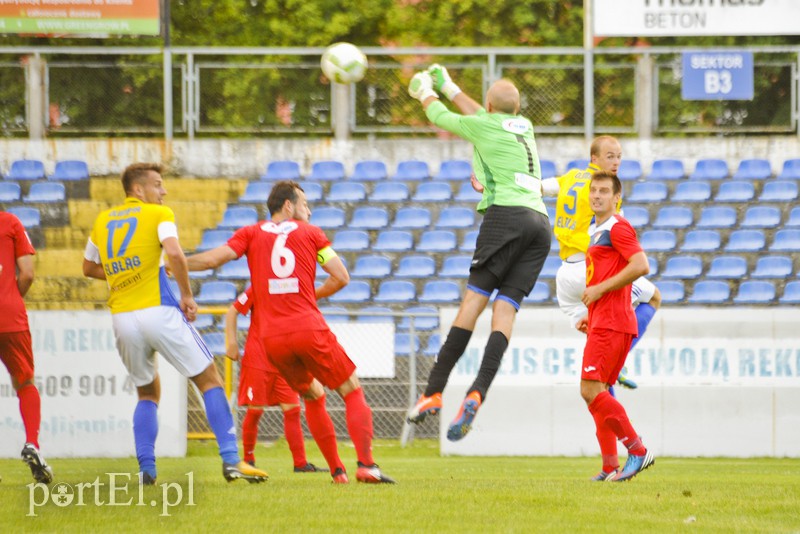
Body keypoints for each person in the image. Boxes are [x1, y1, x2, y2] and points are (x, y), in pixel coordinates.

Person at [186, 180, 395, 484]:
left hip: (271, 338)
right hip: (306, 326)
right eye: (305, 204)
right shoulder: (312, 234)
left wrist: (174, 264)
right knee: (351, 388)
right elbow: (341, 277)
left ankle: (337, 472)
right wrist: (312, 295)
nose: (308, 211)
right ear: (288, 206)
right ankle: (366, 465)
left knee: (312, 394)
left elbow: (212, 260)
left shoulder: (250, 232)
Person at [81, 162, 267, 484]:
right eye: (157, 184)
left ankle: (147, 470)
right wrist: (187, 296)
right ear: (138, 189)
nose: (163, 191)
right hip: (160, 310)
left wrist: (127, 274)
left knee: (147, 393)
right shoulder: (158, 215)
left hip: (122, 316)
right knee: (209, 379)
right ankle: (232, 460)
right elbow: (176, 256)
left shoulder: (102, 219)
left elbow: (88, 267)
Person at [406, 65, 551, 441]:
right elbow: (484, 114)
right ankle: (477, 392)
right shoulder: (525, 126)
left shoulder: (486, 125)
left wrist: (425, 91)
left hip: (506, 217)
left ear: (489, 105)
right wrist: (450, 85)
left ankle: (433, 392)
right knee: (505, 314)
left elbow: (441, 116)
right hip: (540, 223)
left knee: (472, 304)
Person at [541, 135, 662, 389]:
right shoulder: (605, 190)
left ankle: (611, 415)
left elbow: (540, 187)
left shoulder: (572, 176)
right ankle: (621, 359)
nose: (616, 162)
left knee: (598, 358)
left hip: (565, 274)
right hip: (590, 272)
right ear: (594, 159)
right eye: (610, 156)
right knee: (653, 297)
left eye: (618, 156)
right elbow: (615, 234)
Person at [581, 170, 655, 482]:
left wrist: (600, 291)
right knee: (596, 391)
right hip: (603, 319)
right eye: (593, 190)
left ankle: (637, 450)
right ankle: (611, 465)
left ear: (616, 198)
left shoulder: (618, 227)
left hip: (612, 322)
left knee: (590, 389)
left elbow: (641, 265)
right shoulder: (596, 230)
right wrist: (593, 306)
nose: (597, 195)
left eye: (603, 191)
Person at [224, 287, 326, 473]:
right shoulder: (260, 286)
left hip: (283, 360)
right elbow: (233, 311)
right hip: (258, 360)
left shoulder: (291, 288)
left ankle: (300, 463)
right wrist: (231, 342)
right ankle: (248, 460)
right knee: (255, 411)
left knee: (293, 409)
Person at [0, 213, 53, 484]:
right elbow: (28, 273)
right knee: (25, 382)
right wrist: (9, 298)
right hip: (10, 317)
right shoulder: (10, 223)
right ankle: (32, 442)